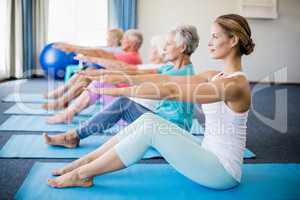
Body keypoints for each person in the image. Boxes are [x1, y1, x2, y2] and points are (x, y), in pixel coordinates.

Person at [46, 14, 254, 190]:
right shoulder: (214, 75)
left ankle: (83, 173)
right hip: (207, 151)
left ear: (233, 40)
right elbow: (165, 79)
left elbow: (171, 91)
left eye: (215, 36)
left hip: (221, 171)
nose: (209, 42)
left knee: (151, 129)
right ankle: (86, 161)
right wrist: (119, 78)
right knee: (147, 119)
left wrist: (116, 90)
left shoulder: (236, 85)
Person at [43, 24, 199, 148]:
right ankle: (73, 135)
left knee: (124, 103)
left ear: (183, 47)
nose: (164, 49)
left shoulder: (181, 74)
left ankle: (73, 136)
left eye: (169, 44)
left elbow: (138, 81)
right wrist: (100, 75)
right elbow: (132, 71)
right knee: (124, 102)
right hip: (161, 121)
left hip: (172, 132)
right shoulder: (171, 67)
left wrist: (105, 87)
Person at [46, 35, 167, 124]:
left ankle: (66, 109)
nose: (151, 51)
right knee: (94, 77)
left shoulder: (147, 64)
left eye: (153, 49)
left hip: (132, 113)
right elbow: (119, 67)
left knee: (100, 82)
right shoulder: (151, 65)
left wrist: (78, 51)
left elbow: (120, 66)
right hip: (132, 107)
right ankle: (65, 104)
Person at [42, 29, 143, 110]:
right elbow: (102, 55)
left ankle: (63, 101)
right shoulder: (131, 55)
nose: (122, 41)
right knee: (89, 74)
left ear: (132, 43)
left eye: (124, 39)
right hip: (115, 90)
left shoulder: (130, 56)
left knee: (89, 77)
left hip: (119, 97)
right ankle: (63, 100)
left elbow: (101, 54)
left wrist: (73, 48)